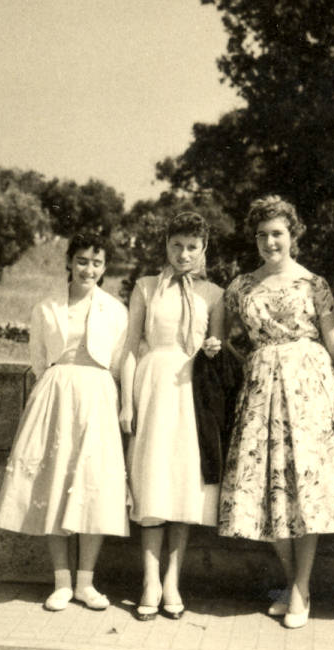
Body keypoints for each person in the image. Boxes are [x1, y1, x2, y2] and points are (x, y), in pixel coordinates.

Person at [218, 195, 334, 629]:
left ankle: (300, 588)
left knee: (304, 486)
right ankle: (296, 582)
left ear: (293, 235)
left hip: (308, 389)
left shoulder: (314, 283)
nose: (269, 242)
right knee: (265, 486)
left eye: (277, 233)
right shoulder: (241, 287)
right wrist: (251, 363)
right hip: (261, 391)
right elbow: (221, 340)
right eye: (262, 235)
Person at [0, 231, 129, 612]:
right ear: (69, 261)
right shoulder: (46, 308)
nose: (89, 269)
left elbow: (120, 361)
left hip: (98, 396)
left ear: (105, 267)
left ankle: (86, 582)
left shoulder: (116, 310)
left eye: (97, 263)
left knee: (93, 484)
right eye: (82, 260)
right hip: (55, 396)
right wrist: (57, 387)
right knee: (54, 481)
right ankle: (62, 583)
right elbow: (39, 360)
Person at [120, 211, 224, 621]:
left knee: (183, 486)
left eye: (192, 247)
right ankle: (148, 580)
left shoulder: (213, 294)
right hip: (153, 388)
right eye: (176, 245)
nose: (183, 254)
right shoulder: (146, 287)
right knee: (151, 482)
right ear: (165, 245)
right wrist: (127, 403)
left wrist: (213, 350)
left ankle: (172, 581)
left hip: (192, 393)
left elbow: (218, 348)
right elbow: (131, 347)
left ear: (203, 249)